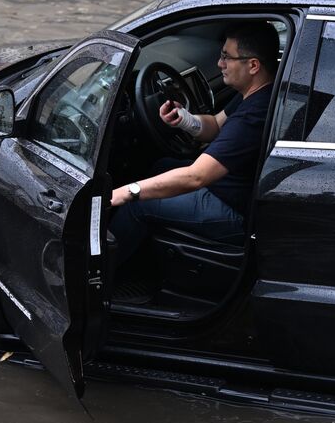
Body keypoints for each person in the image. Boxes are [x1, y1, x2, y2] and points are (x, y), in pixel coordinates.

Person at [108, 21, 278, 262]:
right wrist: (184, 120)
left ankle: (101, 276)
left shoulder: (255, 116)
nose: (220, 64)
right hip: (229, 187)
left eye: (227, 57)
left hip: (235, 210)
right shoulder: (257, 93)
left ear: (253, 65)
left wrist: (129, 191)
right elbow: (216, 125)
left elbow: (196, 177)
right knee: (161, 165)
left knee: (138, 204)